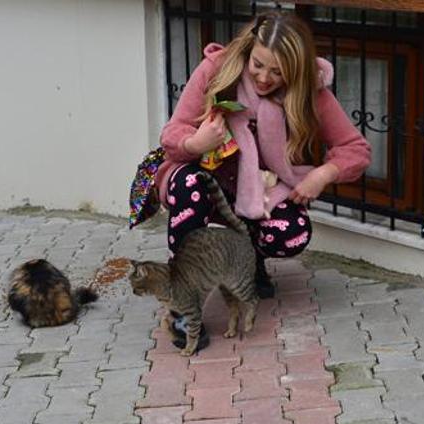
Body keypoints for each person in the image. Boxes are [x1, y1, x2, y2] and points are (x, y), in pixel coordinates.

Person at [154, 11, 371, 300]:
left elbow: (355, 149)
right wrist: (195, 143)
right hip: (204, 179)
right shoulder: (217, 69)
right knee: (189, 186)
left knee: (291, 233)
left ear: (295, 70)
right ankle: (183, 292)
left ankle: (248, 261)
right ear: (249, 49)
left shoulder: (309, 92)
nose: (264, 78)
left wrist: (323, 174)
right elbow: (172, 132)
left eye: (278, 72)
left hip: (261, 191)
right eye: (258, 64)